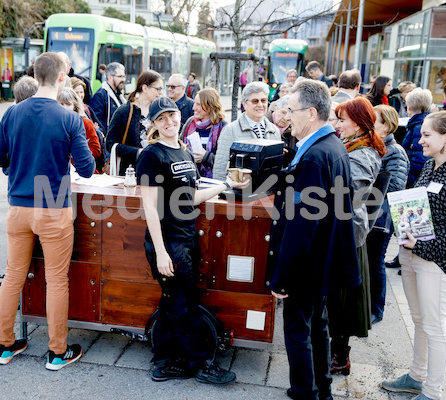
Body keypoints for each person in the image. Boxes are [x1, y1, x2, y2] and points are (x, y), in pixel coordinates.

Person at [0, 52, 95, 370]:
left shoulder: (13, 112)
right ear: (62, 77)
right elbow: (87, 169)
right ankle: (56, 351)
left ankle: (4, 345)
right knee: (56, 280)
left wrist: (21, 162)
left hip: (18, 207)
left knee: (13, 276)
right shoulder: (70, 118)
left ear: (36, 75)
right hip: (53, 210)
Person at [137, 96, 249, 384]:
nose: (169, 122)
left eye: (172, 115)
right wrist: (161, 252)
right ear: (154, 124)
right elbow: (148, 207)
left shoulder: (184, 152)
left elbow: (191, 197)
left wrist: (225, 185)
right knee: (182, 304)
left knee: (173, 299)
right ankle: (202, 364)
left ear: (179, 115)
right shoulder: (152, 155)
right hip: (167, 242)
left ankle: (162, 362)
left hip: (185, 239)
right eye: (161, 118)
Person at [267, 79, 360, 400]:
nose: (286, 116)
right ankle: (322, 390)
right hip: (322, 262)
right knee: (318, 328)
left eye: (290, 110)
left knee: (296, 330)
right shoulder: (330, 146)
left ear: (310, 113)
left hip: (307, 266)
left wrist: (281, 278)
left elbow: (300, 227)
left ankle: (305, 392)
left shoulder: (315, 156)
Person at [381, 111, 446, 400]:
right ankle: (416, 377)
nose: (419, 140)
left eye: (426, 135)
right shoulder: (430, 167)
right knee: (419, 320)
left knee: (434, 326)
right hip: (412, 255)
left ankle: (432, 392)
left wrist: (418, 246)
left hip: (434, 262)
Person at [328, 97, 385, 376]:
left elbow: (351, 195)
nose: (337, 125)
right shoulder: (353, 146)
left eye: (342, 120)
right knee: (339, 296)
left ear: (359, 124)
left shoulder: (362, 153)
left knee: (344, 299)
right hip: (344, 229)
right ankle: (336, 354)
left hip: (349, 233)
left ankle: (340, 357)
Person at [366, 105, 409, 324]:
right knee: (369, 263)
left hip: (381, 220)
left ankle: (377, 309)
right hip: (369, 217)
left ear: (386, 125)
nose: (369, 123)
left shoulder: (395, 151)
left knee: (375, 263)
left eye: (374, 120)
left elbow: (395, 188)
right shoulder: (375, 146)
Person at [212, 82, 281, 181]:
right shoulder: (230, 130)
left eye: (263, 100)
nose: (260, 105)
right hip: (239, 192)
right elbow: (220, 170)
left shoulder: (274, 131)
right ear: (244, 104)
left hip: (267, 192)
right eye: (255, 101)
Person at [106, 70, 163, 176]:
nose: (161, 93)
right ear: (145, 88)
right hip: (129, 173)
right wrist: (138, 152)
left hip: (154, 172)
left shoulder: (158, 111)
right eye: (158, 89)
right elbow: (110, 144)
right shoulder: (124, 111)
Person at [179, 88, 227, 178]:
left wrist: (206, 157)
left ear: (210, 106)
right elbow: (179, 145)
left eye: (198, 104)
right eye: (194, 103)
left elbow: (226, 162)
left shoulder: (224, 127)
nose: (193, 108)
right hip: (189, 178)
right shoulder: (190, 123)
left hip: (213, 181)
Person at [71, 76, 107, 171]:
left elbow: (101, 128)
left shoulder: (87, 109)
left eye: (81, 92)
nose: (80, 95)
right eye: (76, 92)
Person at [58, 87, 102, 164]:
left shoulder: (85, 123)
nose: (64, 108)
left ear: (74, 106)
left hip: (82, 169)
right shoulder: (53, 124)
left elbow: (96, 150)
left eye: (68, 104)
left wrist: (78, 153)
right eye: (61, 104)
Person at [404, 88, 433, 187]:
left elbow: (419, 158)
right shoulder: (425, 123)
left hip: (414, 178)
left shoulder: (419, 127)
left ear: (409, 108)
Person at [89, 62, 126, 133]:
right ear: (110, 77)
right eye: (120, 76)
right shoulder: (100, 95)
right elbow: (96, 120)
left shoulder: (119, 95)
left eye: (124, 76)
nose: (123, 79)